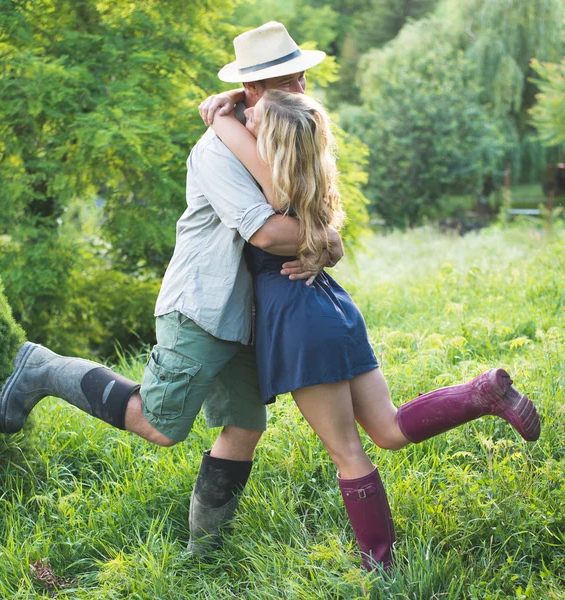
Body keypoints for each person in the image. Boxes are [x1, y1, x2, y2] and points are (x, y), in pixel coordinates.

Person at [0, 22, 341, 557]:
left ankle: (202, 555)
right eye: (282, 81)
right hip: (203, 306)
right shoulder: (218, 150)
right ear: (251, 88)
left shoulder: (280, 133)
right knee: (160, 426)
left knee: (243, 427)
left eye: (298, 77)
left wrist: (326, 239)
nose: (298, 89)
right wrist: (327, 239)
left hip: (248, 315)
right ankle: (42, 366)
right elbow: (267, 232)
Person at [200, 85, 541, 571]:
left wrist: (216, 118)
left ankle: (379, 567)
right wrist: (235, 105)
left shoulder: (273, 184)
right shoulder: (310, 176)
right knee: (389, 430)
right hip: (330, 308)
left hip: (297, 319)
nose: (244, 117)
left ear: (271, 143)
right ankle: (480, 394)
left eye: (253, 117)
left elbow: (256, 167)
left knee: (348, 454)